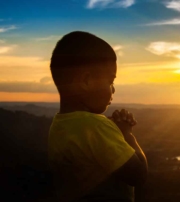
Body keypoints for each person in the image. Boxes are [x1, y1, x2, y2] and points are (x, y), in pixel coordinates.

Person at [48, 31, 148, 202]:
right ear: (86, 81)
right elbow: (138, 175)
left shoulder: (58, 125)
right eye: (111, 81)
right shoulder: (97, 126)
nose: (113, 89)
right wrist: (126, 134)